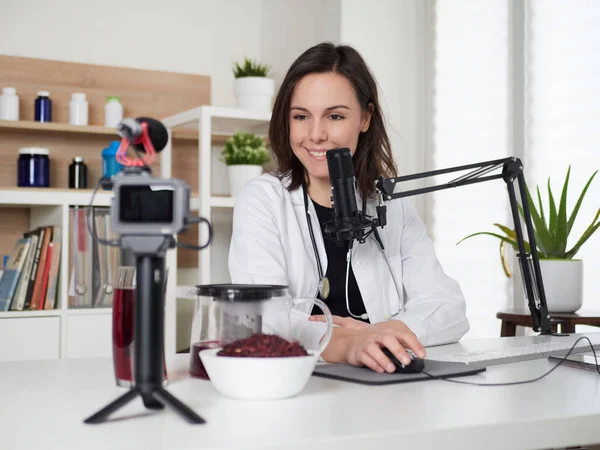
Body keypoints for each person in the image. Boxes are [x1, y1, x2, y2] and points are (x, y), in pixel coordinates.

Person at [228, 42, 469, 374]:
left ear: (365, 118)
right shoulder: (263, 200)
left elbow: (449, 307)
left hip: (387, 381)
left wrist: (381, 335)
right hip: (301, 384)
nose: (316, 135)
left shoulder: (390, 204)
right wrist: (345, 343)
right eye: (301, 117)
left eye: (335, 116)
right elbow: (265, 318)